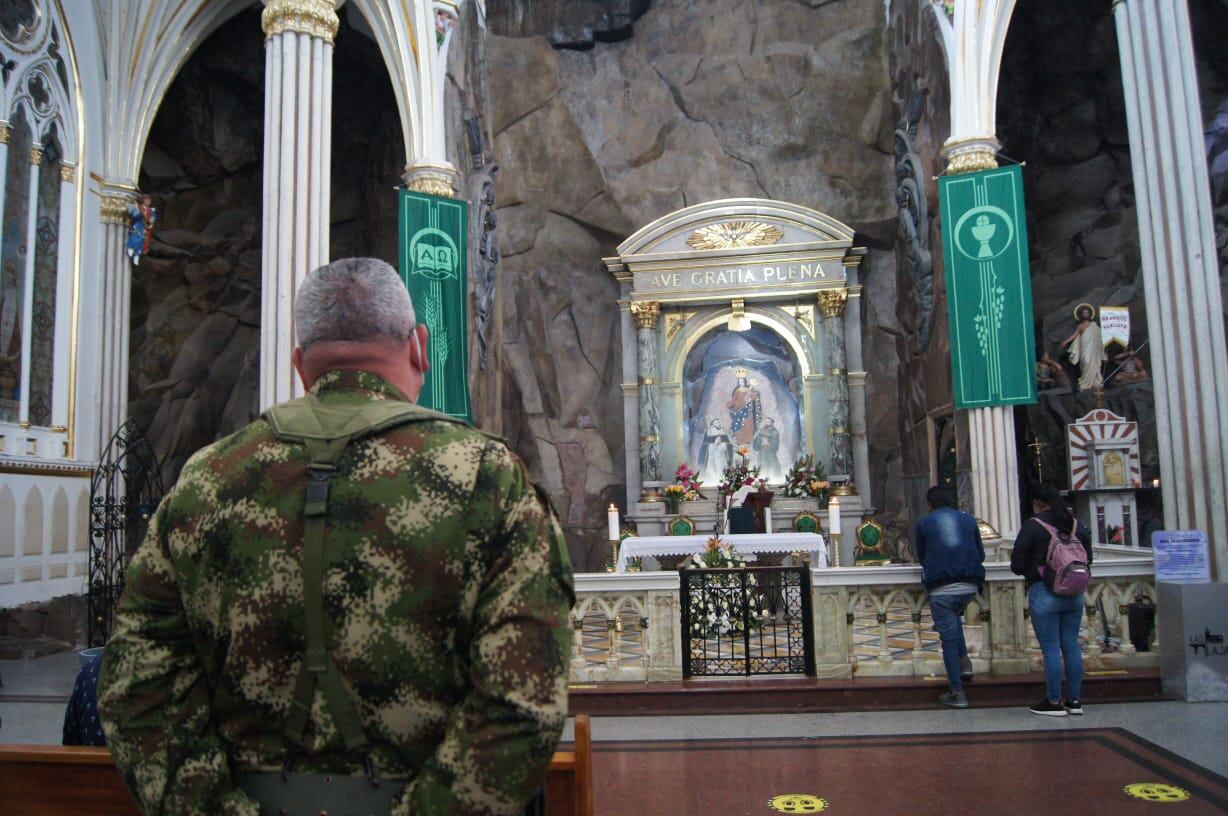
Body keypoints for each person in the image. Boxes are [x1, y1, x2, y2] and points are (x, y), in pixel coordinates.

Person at [98, 258, 574, 816]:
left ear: (302, 364)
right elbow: (523, 700)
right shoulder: (485, 475)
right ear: (419, 347)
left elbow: (137, 686)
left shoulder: (207, 479)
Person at [1011, 484, 1093, 717]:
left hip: (1045, 592)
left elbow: (1016, 564)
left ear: (1038, 503)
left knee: (1050, 649)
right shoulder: (1076, 525)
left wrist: (1036, 572)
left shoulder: (1033, 526)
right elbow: (1089, 558)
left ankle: (1054, 701)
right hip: (1075, 593)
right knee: (1071, 646)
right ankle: (1075, 701)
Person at [913, 486, 985, 709]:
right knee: (954, 623)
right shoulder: (969, 520)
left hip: (942, 587)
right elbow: (980, 554)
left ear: (930, 504)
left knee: (949, 640)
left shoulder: (924, 523)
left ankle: (956, 691)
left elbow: (922, 556)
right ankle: (965, 666)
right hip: (970, 585)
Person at [1060, 303, 1105, 391]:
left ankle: (1094, 381)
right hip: (1085, 347)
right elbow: (1075, 335)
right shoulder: (1080, 326)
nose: (1085, 314)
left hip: (1094, 349)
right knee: (1086, 361)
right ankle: (1085, 381)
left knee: (1094, 363)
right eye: (1084, 313)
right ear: (1081, 315)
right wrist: (1066, 342)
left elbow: (1099, 336)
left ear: (1090, 314)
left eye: (1087, 313)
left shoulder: (1094, 325)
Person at [726, 367, 763, 447]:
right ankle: (739, 440)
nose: (741, 382)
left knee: (747, 425)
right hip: (739, 410)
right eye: (739, 381)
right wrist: (729, 404)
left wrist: (753, 396)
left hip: (747, 411)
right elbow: (734, 400)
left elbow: (754, 396)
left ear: (745, 381)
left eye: (742, 381)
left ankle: (747, 441)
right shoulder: (737, 390)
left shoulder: (748, 390)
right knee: (738, 425)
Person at [125, 194, 157, 266]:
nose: (148, 202)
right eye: (146, 200)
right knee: (135, 236)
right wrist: (140, 214)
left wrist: (152, 220)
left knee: (143, 240)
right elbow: (134, 215)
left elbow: (153, 217)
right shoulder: (139, 207)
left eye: (149, 201)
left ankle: (137, 255)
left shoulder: (151, 210)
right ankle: (131, 248)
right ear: (143, 201)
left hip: (145, 227)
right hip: (138, 225)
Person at [752, 416, 781, 481]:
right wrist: (760, 442)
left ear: (772, 422)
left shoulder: (774, 432)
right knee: (762, 468)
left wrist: (770, 444)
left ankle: (773, 479)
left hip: (770, 453)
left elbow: (775, 444)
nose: (767, 422)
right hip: (762, 452)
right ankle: (762, 480)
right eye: (766, 421)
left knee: (772, 467)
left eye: (769, 421)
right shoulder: (762, 430)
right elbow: (757, 441)